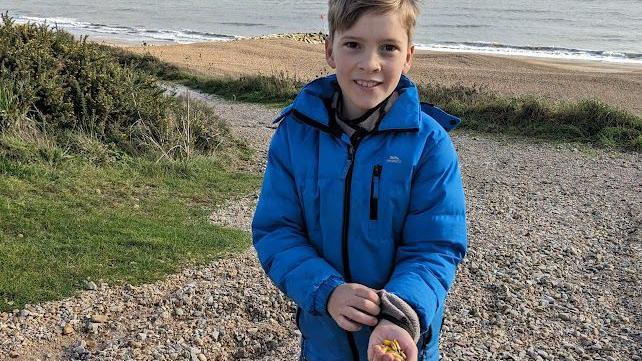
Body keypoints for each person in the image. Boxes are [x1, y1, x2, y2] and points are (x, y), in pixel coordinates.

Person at [251, 1, 467, 360]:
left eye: (388, 47)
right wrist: (326, 290)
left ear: (409, 56)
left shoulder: (429, 143)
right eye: (353, 45)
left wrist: (400, 314)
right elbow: (277, 231)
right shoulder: (295, 135)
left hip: (399, 341)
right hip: (324, 343)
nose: (370, 64)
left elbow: (436, 246)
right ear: (330, 50)